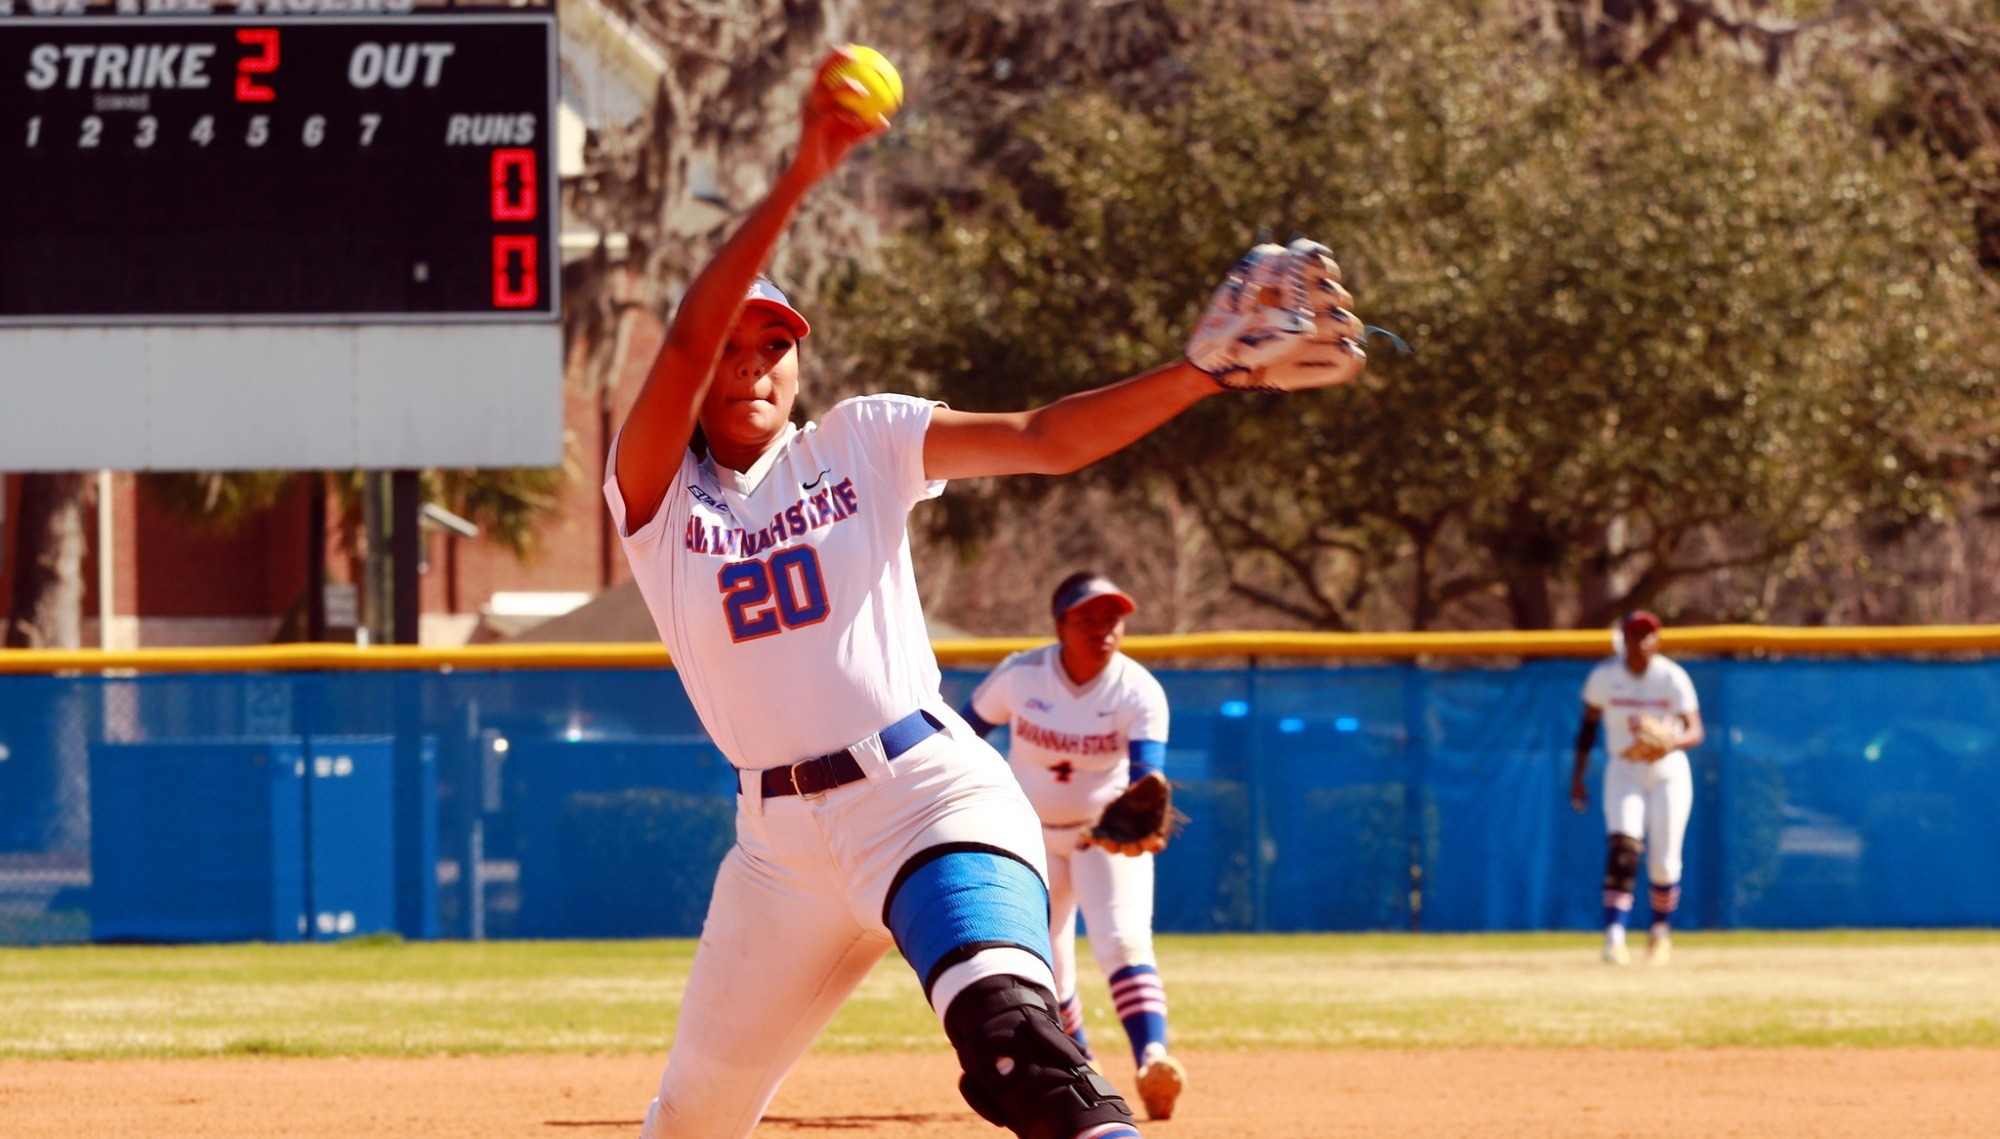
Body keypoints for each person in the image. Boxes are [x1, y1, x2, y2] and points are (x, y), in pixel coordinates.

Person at [604, 46, 1368, 1139]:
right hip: (774, 851)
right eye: (737, 343)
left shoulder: (860, 440)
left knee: (1015, 1044)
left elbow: (1047, 438)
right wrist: (800, 176)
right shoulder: (654, 501)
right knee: (687, 1121)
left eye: (777, 344)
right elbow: (681, 337)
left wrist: (1199, 372)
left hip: (922, 797)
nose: (754, 362)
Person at [958, 573, 1185, 1121]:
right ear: (1060, 625)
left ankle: (1153, 1059)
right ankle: (1080, 1066)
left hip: (1098, 834)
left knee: (1124, 942)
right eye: (1088, 618)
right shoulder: (1021, 675)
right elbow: (962, 736)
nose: (1103, 629)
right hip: (1026, 833)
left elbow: (1145, 781)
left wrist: (1137, 804)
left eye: (1112, 618)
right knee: (1047, 965)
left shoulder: (1137, 690)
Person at [1570, 610, 1705, 966]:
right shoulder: (1605, 677)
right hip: (1625, 767)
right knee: (1624, 848)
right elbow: (1587, 729)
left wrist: (1669, 744)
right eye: (1635, 634)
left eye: (1648, 635)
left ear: (1656, 640)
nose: (1642, 641)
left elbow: (1695, 730)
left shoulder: (1671, 677)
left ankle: (1659, 933)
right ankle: (1614, 937)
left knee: (1663, 864)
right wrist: (1577, 777)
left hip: (1667, 770)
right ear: (1624, 638)